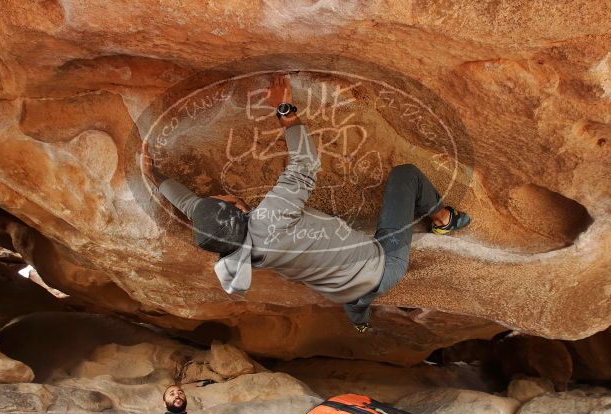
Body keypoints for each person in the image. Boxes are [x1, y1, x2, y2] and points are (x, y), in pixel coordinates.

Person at [146, 74, 471, 332]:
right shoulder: (269, 220)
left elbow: (192, 207)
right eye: (222, 198)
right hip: (383, 265)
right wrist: (285, 108)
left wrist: (156, 177)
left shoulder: (235, 255)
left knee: (355, 303)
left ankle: (361, 322)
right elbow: (304, 165)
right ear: (238, 209)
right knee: (406, 175)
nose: (222, 194)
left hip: (340, 291)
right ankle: (444, 220)